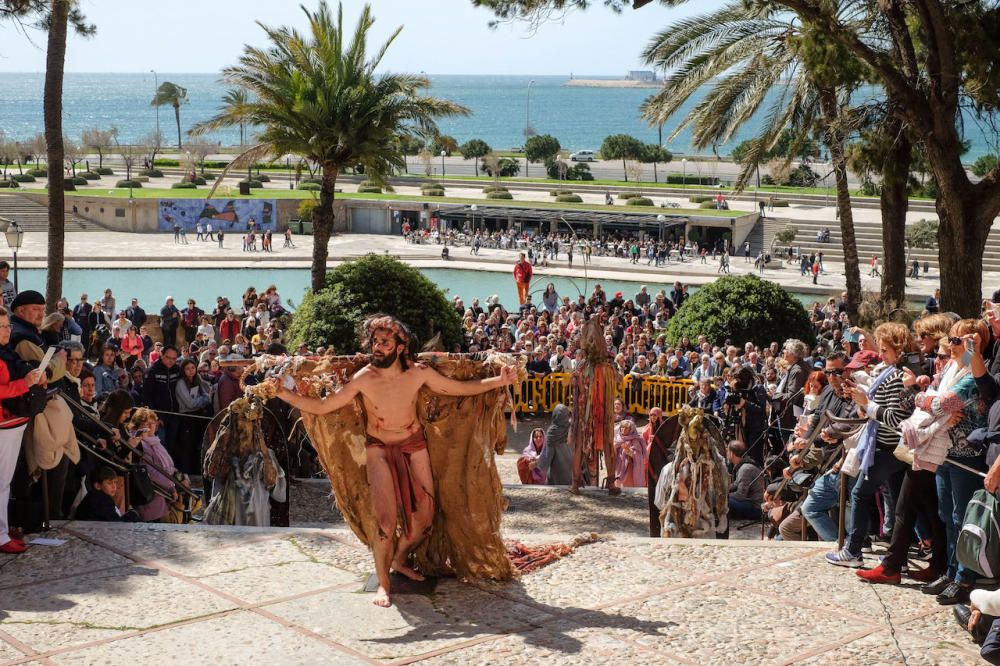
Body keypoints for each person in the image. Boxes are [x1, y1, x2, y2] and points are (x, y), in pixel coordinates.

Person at [272, 315, 516, 608]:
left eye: (385, 342)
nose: (378, 346)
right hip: (379, 449)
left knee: (423, 522)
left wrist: (498, 381)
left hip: (414, 446)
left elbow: (457, 389)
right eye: (375, 341)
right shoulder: (364, 378)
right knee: (385, 523)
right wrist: (285, 394)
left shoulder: (418, 373)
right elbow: (324, 406)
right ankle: (384, 585)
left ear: (401, 347)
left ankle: (399, 560)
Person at [0, 305, 45, 553]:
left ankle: (2, 533)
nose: (8, 330)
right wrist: (24, 384)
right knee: (1, 483)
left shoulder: (6, 352)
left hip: (13, 423)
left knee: (4, 483)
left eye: (8, 325)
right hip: (4, 424)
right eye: (3, 326)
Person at [727, 440, 764, 520]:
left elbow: (740, 496)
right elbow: (736, 484)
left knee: (725, 501)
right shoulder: (744, 464)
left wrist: (724, 496)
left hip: (756, 508)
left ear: (731, 453)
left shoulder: (745, 469)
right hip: (753, 503)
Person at [537, 403, 573, 486]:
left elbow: (547, 456)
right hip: (571, 470)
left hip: (557, 472)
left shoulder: (552, 432)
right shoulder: (571, 428)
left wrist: (537, 465)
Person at [614, 419, 647, 488]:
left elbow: (638, 456)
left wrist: (628, 450)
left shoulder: (635, 440)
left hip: (629, 468)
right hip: (619, 466)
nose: (623, 429)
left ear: (631, 429)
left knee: (628, 487)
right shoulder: (618, 439)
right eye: (622, 427)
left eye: (626, 428)